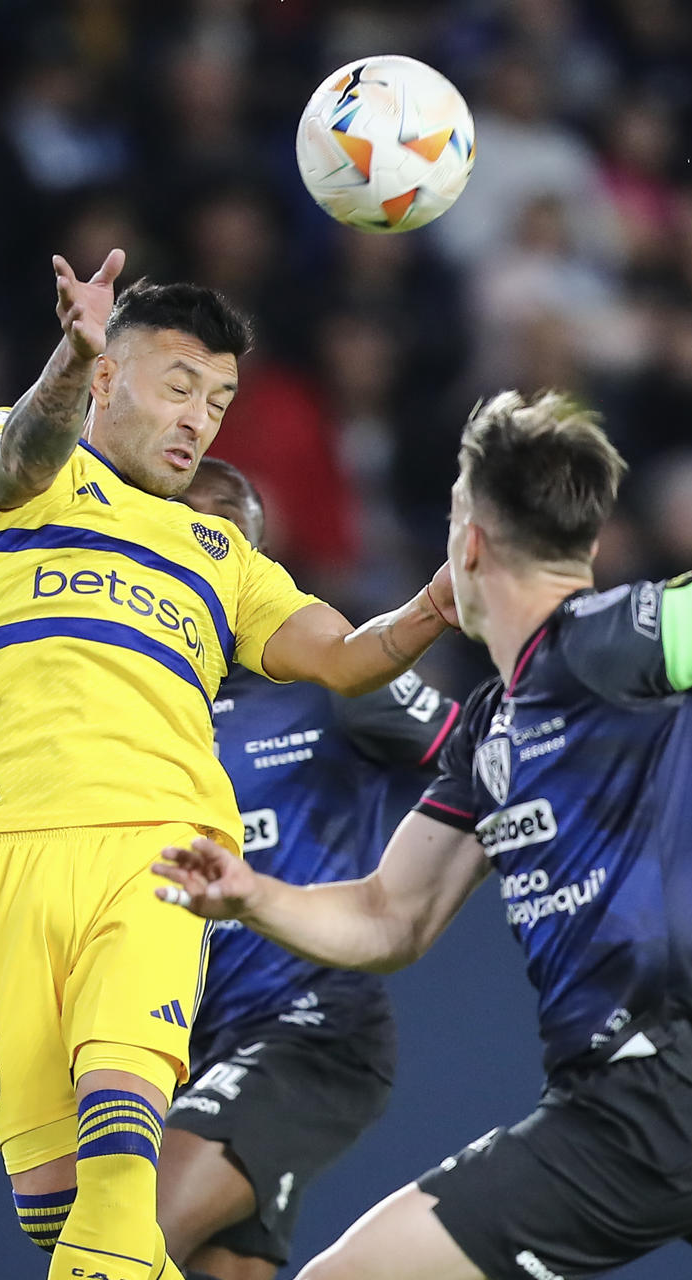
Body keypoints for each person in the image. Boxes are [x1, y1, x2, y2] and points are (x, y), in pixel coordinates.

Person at [154, 390, 692, 1280]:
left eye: (457, 509)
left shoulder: (604, 644)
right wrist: (251, 895)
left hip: (642, 1114)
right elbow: (388, 918)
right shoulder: (496, 722)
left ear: (472, 545)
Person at [0, 249, 457, 1280]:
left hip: (159, 855)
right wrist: (67, 354)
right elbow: (19, 459)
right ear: (104, 377)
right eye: (179, 386)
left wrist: (440, 600)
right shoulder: (8, 465)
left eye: (218, 401)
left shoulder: (221, 554)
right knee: (60, 1217)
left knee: (130, 1150)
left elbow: (350, 657)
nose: (198, 419)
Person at [157, 459, 462, 1280]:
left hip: (309, 1028)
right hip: (181, 1047)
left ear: (256, 565)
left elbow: (486, 755)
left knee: (128, 1240)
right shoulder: (128, 710)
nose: (206, 538)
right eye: (185, 522)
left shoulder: (332, 683)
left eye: (230, 530)